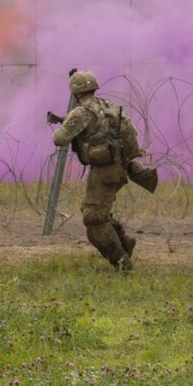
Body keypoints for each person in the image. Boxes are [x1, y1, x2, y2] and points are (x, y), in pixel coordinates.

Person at [52, 70, 153, 271]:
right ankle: (124, 241)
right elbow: (130, 133)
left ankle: (123, 263)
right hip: (117, 167)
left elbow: (59, 139)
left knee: (94, 218)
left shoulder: (82, 112)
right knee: (96, 212)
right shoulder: (110, 107)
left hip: (105, 171)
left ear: (75, 93)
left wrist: (68, 125)